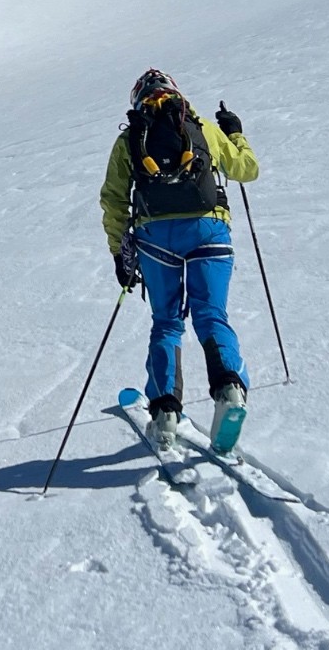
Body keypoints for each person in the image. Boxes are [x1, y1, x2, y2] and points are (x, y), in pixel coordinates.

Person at [99, 69, 260, 453]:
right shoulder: (202, 126)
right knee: (211, 314)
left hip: (157, 238)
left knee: (167, 322)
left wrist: (119, 255)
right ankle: (230, 389)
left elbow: (114, 200)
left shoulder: (130, 138)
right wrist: (234, 132)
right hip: (209, 229)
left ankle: (165, 411)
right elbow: (246, 170)